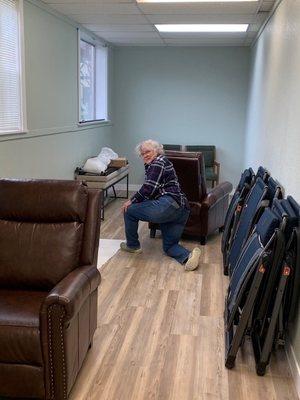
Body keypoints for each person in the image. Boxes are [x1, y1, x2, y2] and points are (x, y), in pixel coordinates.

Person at [120, 139, 201, 271]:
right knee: (169, 247)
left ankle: (132, 246)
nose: (145, 155)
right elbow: (152, 190)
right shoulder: (158, 163)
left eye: (148, 151)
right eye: (142, 153)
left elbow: (149, 188)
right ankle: (188, 256)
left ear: (157, 151)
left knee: (129, 210)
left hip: (168, 204)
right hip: (181, 210)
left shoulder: (159, 162)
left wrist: (132, 200)